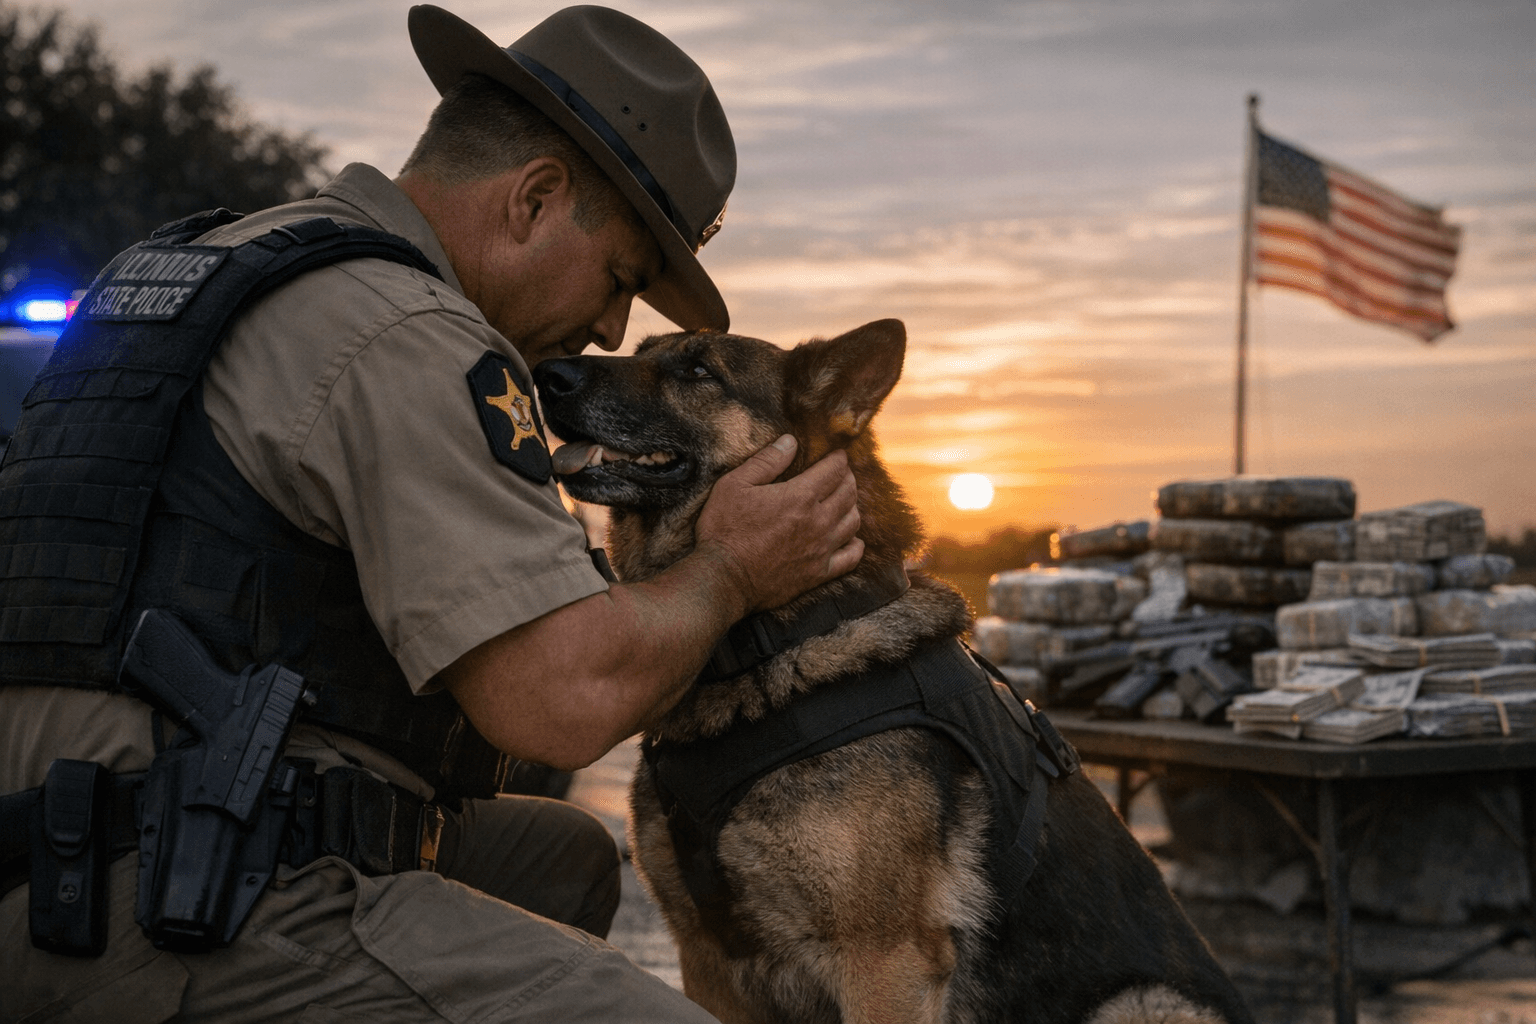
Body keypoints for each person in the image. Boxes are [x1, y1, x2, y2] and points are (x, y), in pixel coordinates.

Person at [0, 6, 861, 1022]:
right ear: (535, 199)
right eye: (622, 278)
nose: (612, 326)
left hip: (54, 840)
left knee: (564, 856)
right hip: (168, 897)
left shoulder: (212, 264)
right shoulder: (410, 331)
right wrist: (731, 568)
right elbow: (559, 701)